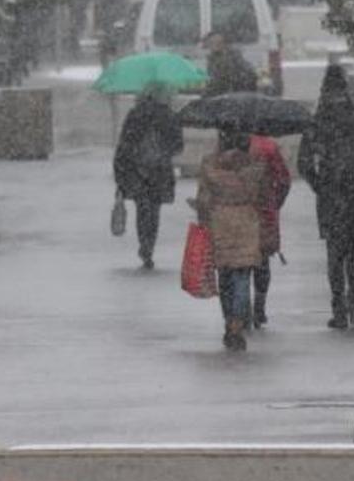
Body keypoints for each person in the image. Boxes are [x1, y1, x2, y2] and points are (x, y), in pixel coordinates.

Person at [298, 65, 354, 330]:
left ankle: (338, 308)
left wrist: (320, 185)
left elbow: (303, 163)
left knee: (335, 254)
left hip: (331, 194)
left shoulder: (317, 122)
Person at [195, 127, 268, 350]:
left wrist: (203, 216)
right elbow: (264, 196)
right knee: (243, 275)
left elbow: (203, 200)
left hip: (220, 223)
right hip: (247, 222)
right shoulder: (256, 166)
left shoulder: (210, 166)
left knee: (225, 277)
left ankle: (229, 321)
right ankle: (237, 323)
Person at [113, 84, 185, 269]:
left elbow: (124, 145)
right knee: (154, 210)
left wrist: (120, 176)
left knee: (142, 208)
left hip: (138, 171)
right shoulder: (168, 115)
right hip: (159, 171)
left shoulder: (135, 115)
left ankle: (144, 244)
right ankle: (149, 246)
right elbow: (178, 146)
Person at [248, 134, 292, 328]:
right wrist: (275, 202)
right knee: (262, 261)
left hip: (236, 212)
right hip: (264, 210)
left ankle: (238, 310)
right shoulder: (269, 147)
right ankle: (259, 306)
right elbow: (284, 180)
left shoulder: (228, 145)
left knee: (238, 263)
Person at [203, 31, 258, 97]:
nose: (215, 45)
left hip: (236, 94)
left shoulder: (233, 57)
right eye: (211, 43)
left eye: (218, 42)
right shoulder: (212, 59)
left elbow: (223, 79)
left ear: (223, 43)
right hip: (224, 94)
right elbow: (213, 81)